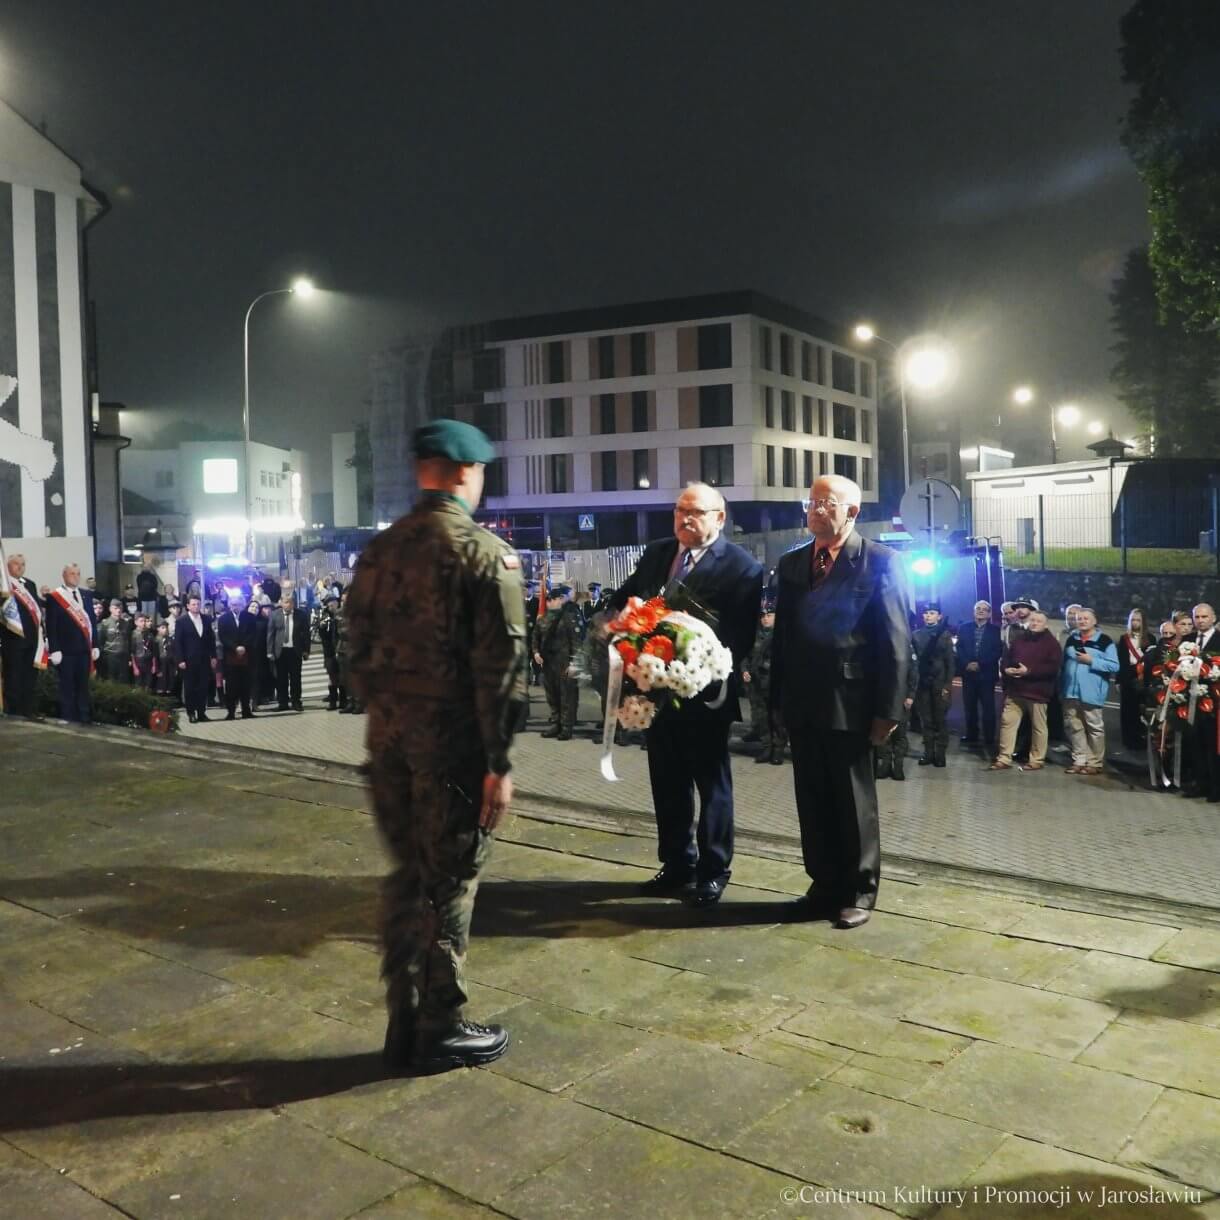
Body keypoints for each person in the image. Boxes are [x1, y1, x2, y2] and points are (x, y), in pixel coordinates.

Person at [346, 418, 527, 1073]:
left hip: (389, 743)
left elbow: (354, 654)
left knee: (407, 876)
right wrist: (498, 762)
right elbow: (502, 671)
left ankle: (405, 1019)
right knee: (449, 883)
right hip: (453, 750)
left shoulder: (379, 550)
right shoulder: (483, 554)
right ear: (465, 472)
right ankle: (441, 1027)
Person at [609, 481, 763, 907]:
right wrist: (618, 623)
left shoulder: (742, 567)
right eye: (680, 511)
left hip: (705, 695)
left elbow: (739, 637)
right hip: (654, 693)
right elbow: (627, 598)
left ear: (719, 518)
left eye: (695, 512)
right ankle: (677, 863)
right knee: (667, 783)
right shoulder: (659, 552)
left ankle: (713, 871)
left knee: (712, 787)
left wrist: (692, 664)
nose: (685, 519)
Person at [771, 474, 908, 929]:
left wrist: (888, 710)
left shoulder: (880, 562)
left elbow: (895, 641)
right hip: (802, 701)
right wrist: (776, 700)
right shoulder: (793, 564)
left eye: (826, 502)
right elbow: (783, 637)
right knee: (812, 799)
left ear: (852, 511)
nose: (815, 509)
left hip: (851, 702)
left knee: (853, 802)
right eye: (810, 501)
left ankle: (859, 890)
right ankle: (823, 884)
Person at [989, 609, 1062, 772]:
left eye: (1039, 621)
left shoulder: (1052, 644)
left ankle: (1036, 759)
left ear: (1046, 624)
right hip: (1016, 690)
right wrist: (1006, 669)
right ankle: (1004, 758)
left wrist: (1029, 671)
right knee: (1007, 724)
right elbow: (1007, 657)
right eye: (1033, 620)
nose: (1035, 623)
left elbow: (1052, 669)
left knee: (1038, 727)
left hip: (1038, 693)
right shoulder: (1020, 639)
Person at [1060, 607, 1119, 776]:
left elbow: (1114, 666)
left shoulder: (1105, 641)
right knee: (1075, 727)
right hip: (1070, 692)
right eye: (1079, 618)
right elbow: (1064, 664)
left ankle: (1095, 762)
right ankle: (1079, 760)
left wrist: (1091, 661)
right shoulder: (1072, 639)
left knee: (1094, 729)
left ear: (1094, 621)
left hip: (1092, 692)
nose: (1082, 621)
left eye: (1086, 618)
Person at [44, 564, 99, 722]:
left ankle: (84, 718)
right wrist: (54, 649)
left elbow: (91, 622)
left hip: (84, 650)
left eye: (78, 574)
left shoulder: (86, 595)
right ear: (64, 575)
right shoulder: (55, 597)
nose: (75, 577)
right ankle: (68, 717)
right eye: (72, 573)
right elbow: (51, 625)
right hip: (65, 651)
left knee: (83, 687)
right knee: (67, 687)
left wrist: (95, 644)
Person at [534, 585, 582, 740]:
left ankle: (566, 727)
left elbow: (576, 642)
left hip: (565, 662)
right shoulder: (543, 619)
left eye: (559, 599)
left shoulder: (568, 617)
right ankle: (556, 724)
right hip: (549, 663)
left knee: (567, 696)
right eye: (554, 599)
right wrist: (535, 652)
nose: (557, 602)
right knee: (552, 695)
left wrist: (575, 663)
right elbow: (535, 637)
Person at [1, 551, 45, 717]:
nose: (20, 567)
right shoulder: (4, 585)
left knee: (29, 676)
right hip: (13, 638)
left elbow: (37, 609)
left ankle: (27, 709)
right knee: (13, 675)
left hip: (32, 638)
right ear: (7, 566)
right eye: (16, 564)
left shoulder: (30, 584)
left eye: (23, 564)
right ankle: (13, 710)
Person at [742, 600, 786, 765]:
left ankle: (778, 749)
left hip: (773, 683)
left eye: (769, 615)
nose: (765, 618)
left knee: (777, 718)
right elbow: (746, 655)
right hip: (757, 684)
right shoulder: (755, 635)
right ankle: (767, 747)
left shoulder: (781, 636)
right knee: (762, 717)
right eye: (763, 616)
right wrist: (744, 670)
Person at [912, 601, 954, 767]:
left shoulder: (945, 635)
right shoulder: (916, 635)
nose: (928, 616)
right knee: (926, 719)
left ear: (939, 616)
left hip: (939, 682)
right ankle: (928, 753)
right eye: (926, 613)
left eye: (932, 613)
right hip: (922, 682)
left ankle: (940, 754)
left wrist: (947, 685)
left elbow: (950, 662)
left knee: (940, 719)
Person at [956, 599, 1002, 747]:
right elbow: (959, 648)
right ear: (974, 612)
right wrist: (967, 663)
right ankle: (971, 735)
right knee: (969, 706)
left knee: (988, 707)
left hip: (986, 674)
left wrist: (979, 663)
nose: (981, 611)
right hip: (968, 674)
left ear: (989, 614)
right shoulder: (964, 628)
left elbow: (997, 651)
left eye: (984, 609)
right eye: (978, 609)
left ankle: (989, 738)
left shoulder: (996, 631)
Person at [875, 637, 917, 782]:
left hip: (901, 697)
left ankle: (898, 767)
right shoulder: (881, 646)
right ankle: (885, 766)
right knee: (884, 732)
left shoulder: (906, 647)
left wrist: (910, 695)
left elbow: (913, 673)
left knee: (900, 733)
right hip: (884, 696)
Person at [1189, 603, 1220, 802]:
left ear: (1213, 618)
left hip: (1214, 702)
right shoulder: (1188, 640)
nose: (1200, 620)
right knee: (1195, 744)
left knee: (1213, 746)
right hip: (1189, 702)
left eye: (1204, 616)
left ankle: (1215, 788)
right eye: (1197, 617)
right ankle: (1199, 784)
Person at [1117, 608, 1155, 752]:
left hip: (1143, 678)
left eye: (1138, 620)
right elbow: (1121, 661)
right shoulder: (1124, 638)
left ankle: (1142, 739)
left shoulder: (1151, 638)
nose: (1135, 623)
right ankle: (1128, 740)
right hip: (1128, 677)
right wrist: (1119, 680)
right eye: (1133, 620)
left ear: (1143, 622)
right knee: (1127, 710)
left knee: (1142, 710)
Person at [174, 593, 216, 723]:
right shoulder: (181, 621)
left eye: (198, 604)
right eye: (193, 604)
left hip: (204, 659)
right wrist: (180, 659)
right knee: (190, 688)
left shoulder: (206, 619)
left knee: (203, 687)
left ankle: (201, 713)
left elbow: (211, 639)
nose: (196, 606)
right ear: (187, 606)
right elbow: (178, 642)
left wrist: (213, 656)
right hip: (188, 660)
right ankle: (191, 713)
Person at [217, 593, 258, 719]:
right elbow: (223, 636)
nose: (236, 607)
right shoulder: (223, 619)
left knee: (246, 684)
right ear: (230, 605)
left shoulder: (250, 617)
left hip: (247, 654)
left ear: (242, 605)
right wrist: (235, 647)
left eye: (238, 605)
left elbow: (253, 634)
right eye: (234, 604)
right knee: (231, 686)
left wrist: (244, 646)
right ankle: (231, 712)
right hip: (230, 655)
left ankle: (246, 710)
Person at [267, 593, 310, 711]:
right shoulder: (275, 615)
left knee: (295, 678)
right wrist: (269, 651)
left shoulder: (301, 615)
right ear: (281, 603)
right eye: (286, 602)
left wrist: (306, 650)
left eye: (291, 602)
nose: (289, 605)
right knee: (281, 679)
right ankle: (283, 702)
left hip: (295, 651)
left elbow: (306, 634)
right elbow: (270, 634)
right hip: (280, 652)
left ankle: (296, 701)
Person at [318, 592, 344, 710]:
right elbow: (322, 635)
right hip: (330, 651)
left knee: (342, 676)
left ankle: (343, 701)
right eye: (329, 604)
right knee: (332, 676)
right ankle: (333, 701)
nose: (331, 606)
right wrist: (322, 626)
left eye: (333, 603)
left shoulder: (342, 614)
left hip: (342, 649)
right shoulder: (325, 616)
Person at [98, 600, 132, 683]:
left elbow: (128, 640)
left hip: (123, 656)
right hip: (110, 656)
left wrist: (129, 657)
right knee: (111, 680)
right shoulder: (105, 623)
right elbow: (101, 641)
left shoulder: (126, 623)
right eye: (115, 608)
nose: (118, 610)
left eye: (120, 608)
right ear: (110, 609)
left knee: (123, 680)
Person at [130, 613, 155, 689]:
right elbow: (132, 652)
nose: (143, 623)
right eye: (141, 621)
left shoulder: (150, 634)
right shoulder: (133, 634)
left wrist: (154, 665)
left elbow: (153, 651)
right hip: (138, 661)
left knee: (148, 684)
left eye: (144, 621)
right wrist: (135, 667)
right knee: (139, 684)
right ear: (136, 622)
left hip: (148, 661)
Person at [153, 620, 175, 696]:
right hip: (161, 664)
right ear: (158, 629)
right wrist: (157, 669)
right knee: (161, 683)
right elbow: (155, 655)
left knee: (170, 683)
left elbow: (173, 652)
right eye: (162, 628)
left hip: (170, 664)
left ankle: (169, 695)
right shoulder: (156, 640)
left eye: (166, 628)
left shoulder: (170, 639)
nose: (165, 630)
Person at [136, 556, 161, 623]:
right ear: (142, 567)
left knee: (151, 616)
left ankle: (151, 626)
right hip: (143, 599)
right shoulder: (140, 576)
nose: (146, 568)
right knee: (144, 615)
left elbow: (155, 586)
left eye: (148, 566)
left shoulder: (152, 576)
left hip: (152, 598)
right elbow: (140, 586)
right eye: (145, 566)